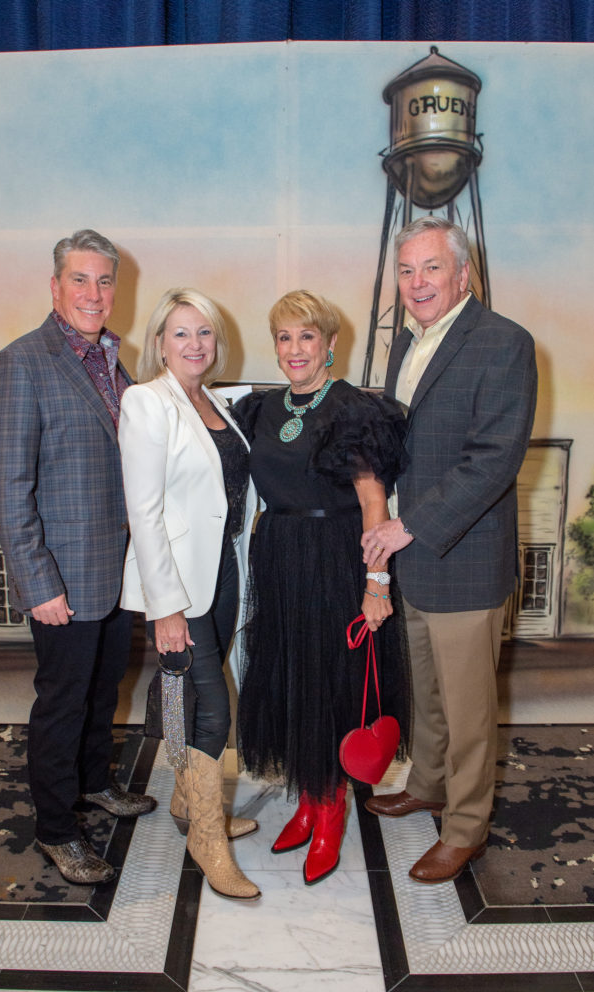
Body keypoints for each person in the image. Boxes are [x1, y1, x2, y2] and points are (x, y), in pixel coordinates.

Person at [362, 216, 538, 884]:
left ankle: (464, 826)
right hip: (413, 559)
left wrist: (409, 525)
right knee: (428, 692)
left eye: (430, 268)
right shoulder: (406, 344)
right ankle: (428, 784)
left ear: (462, 273)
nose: (416, 283)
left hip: (461, 556)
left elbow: (492, 459)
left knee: (467, 709)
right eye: (406, 271)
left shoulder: (503, 343)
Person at [0, 229, 156, 886]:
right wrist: (39, 583)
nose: (93, 292)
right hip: (63, 580)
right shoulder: (19, 364)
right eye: (80, 279)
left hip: (114, 575)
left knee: (101, 690)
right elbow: (5, 486)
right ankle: (56, 828)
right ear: (54, 287)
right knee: (62, 701)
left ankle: (94, 783)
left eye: (104, 281)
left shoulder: (115, 364)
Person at [235, 289, 411, 886]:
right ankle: (308, 801)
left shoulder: (351, 410)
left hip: (336, 558)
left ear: (331, 344)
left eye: (306, 336)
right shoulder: (261, 409)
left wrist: (377, 583)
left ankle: (331, 812)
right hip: (280, 558)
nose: (294, 349)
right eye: (284, 337)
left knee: (331, 683)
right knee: (290, 681)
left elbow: (372, 501)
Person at [119, 287, 260, 902]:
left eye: (204, 332)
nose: (195, 344)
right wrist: (165, 607)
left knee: (195, 694)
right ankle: (207, 836)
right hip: (178, 582)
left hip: (223, 570)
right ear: (159, 343)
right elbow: (144, 513)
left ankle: (186, 798)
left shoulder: (217, 404)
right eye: (181, 333)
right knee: (211, 708)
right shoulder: (146, 403)